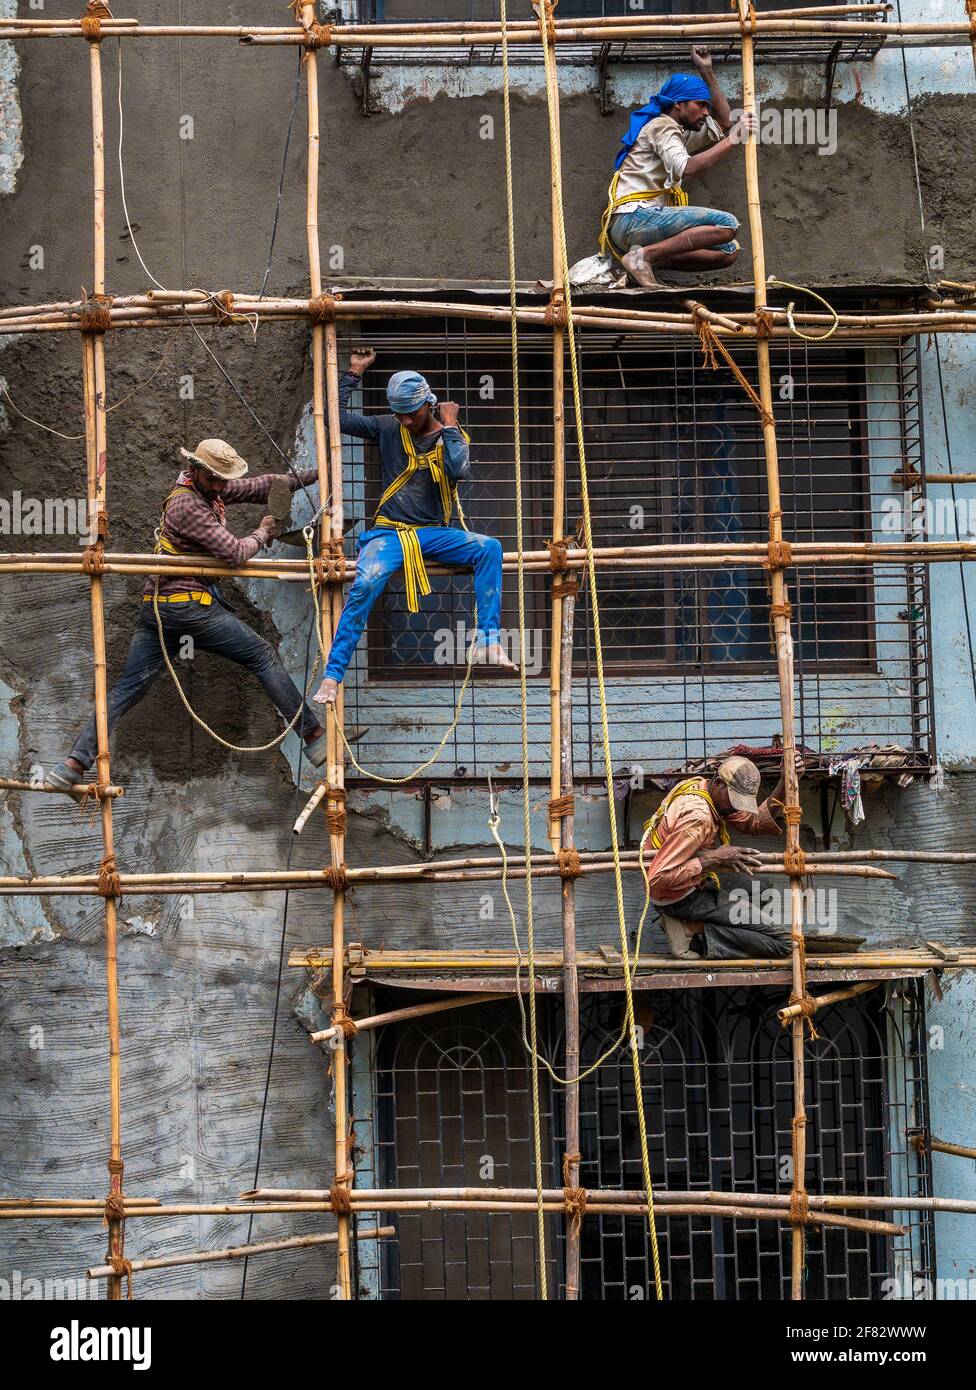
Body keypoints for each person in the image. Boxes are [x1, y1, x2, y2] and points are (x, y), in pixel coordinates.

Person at [46, 438, 335, 797]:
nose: (221, 486)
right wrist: (264, 532)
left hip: (159, 610)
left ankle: (73, 765)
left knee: (126, 690)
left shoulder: (205, 490)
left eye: (222, 480)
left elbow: (261, 486)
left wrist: (315, 474)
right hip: (187, 608)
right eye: (214, 479)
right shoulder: (188, 506)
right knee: (262, 656)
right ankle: (314, 736)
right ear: (194, 469)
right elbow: (234, 552)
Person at [313, 347, 515, 707]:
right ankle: (332, 676)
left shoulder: (450, 436)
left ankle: (487, 640)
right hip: (389, 533)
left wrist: (450, 425)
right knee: (366, 584)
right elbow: (334, 418)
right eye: (399, 414)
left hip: (434, 534)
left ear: (429, 404)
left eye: (411, 413)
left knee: (490, 548)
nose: (405, 421)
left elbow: (457, 471)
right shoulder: (388, 426)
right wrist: (354, 373)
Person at [600, 46, 755, 287]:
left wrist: (706, 70)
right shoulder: (662, 126)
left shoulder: (679, 132)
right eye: (700, 105)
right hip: (633, 219)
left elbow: (724, 122)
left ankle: (647, 258)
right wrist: (734, 141)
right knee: (727, 224)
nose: (705, 111)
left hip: (638, 226)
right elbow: (688, 169)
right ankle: (642, 257)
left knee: (728, 251)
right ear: (678, 105)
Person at [642, 751, 804, 960]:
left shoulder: (703, 788)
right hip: (678, 896)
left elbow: (753, 822)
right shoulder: (697, 817)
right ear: (718, 783)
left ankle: (705, 931)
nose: (736, 807)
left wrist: (785, 780)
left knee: (763, 890)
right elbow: (656, 879)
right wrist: (714, 859)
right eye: (735, 800)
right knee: (781, 943)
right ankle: (690, 928)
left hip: (696, 880)